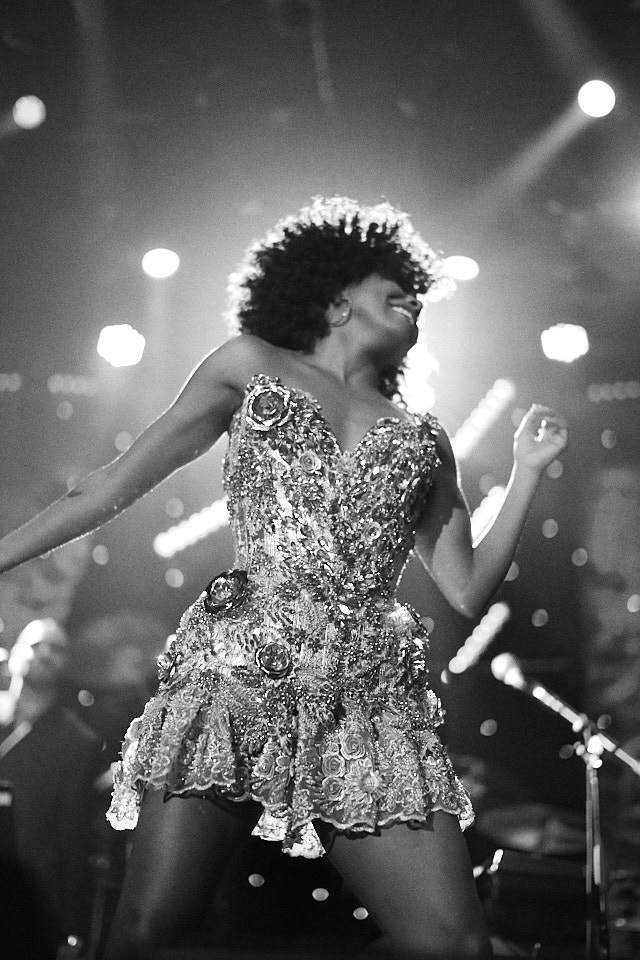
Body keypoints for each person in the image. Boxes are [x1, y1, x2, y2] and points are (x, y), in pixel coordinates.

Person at [0, 197, 568, 960]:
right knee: (149, 930)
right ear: (336, 298)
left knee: (456, 943)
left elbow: (465, 589)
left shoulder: (424, 437)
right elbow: (106, 488)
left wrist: (528, 476)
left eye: (418, 295)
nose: (412, 300)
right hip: (235, 677)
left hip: (366, 703)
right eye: (392, 286)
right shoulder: (249, 365)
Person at [0, 618, 103, 955]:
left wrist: (72, 929)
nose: (44, 653)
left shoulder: (77, 743)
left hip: (24, 905)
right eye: (35, 645)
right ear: (14, 654)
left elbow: (73, 840)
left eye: (56, 648)